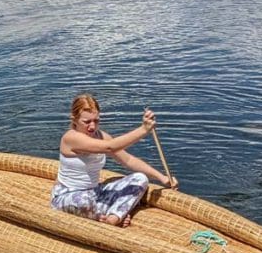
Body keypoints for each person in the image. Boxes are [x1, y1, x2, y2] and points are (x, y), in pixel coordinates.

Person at [52, 94, 177, 228]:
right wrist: (143, 130)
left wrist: (162, 177)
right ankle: (111, 215)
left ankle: (112, 218)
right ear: (75, 120)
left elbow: (128, 160)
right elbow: (110, 147)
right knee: (83, 202)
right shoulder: (71, 138)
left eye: (96, 120)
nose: (92, 126)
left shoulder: (102, 136)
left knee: (140, 179)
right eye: (86, 122)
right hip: (68, 196)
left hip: (95, 193)